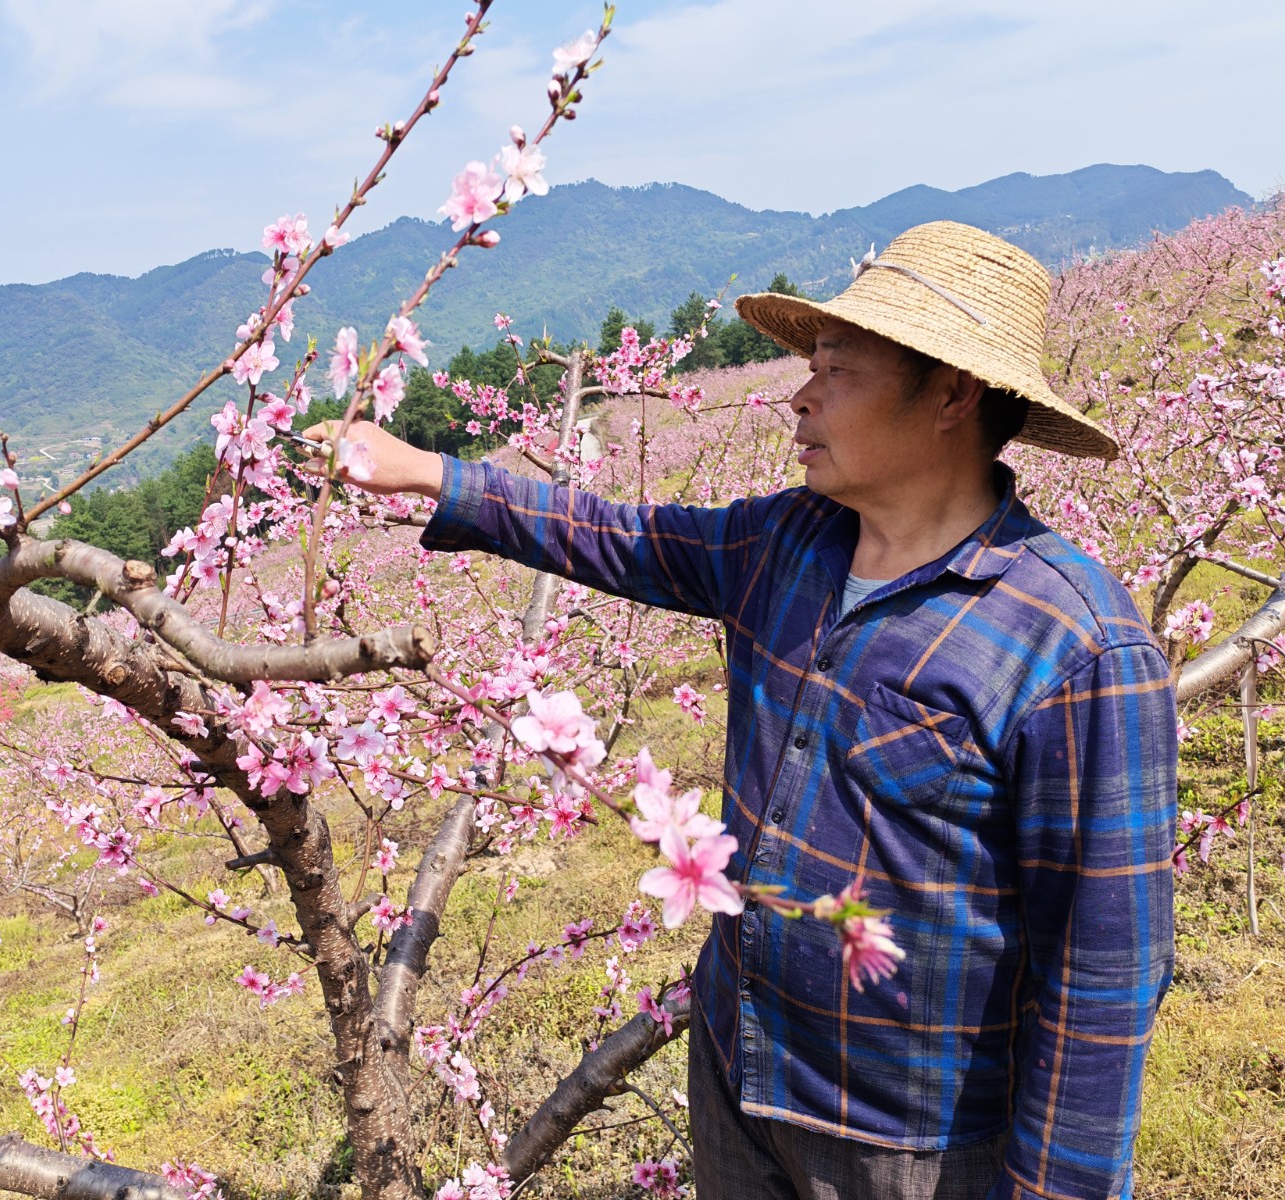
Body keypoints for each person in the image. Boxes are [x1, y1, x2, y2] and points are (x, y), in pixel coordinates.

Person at [305, 221, 1177, 1200]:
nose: (799, 396)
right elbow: (621, 535)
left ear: (952, 392)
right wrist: (434, 472)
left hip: (915, 1147)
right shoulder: (785, 542)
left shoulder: (1075, 648)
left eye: (837, 370)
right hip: (737, 1071)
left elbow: (1103, 973)